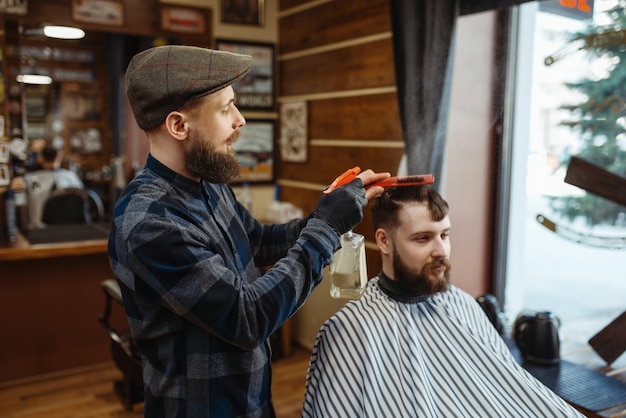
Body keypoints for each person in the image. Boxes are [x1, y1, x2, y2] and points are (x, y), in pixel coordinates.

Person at [108, 44, 389, 417]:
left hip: (253, 401)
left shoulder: (207, 182)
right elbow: (246, 317)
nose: (240, 120)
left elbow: (256, 242)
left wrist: (327, 210)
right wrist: (325, 227)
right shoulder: (147, 222)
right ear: (178, 125)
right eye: (226, 109)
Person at [302, 186, 583, 417]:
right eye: (423, 238)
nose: (441, 251)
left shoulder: (462, 304)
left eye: (445, 235)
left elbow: (508, 389)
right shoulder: (349, 329)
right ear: (384, 242)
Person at [23, 144, 84, 228]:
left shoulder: (30, 180)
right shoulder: (71, 177)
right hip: (71, 228)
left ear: (41, 158)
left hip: (38, 229)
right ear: (59, 157)